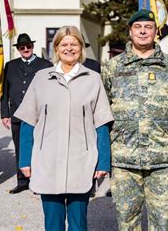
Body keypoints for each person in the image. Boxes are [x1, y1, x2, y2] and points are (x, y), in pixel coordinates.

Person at [14, 26, 113, 230]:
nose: (69, 48)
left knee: (78, 223)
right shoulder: (41, 78)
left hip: (81, 159)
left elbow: (101, 123)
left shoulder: (93, 79)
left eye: (74, 44)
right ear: (56, 49)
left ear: (81, 48)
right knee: (52, 223)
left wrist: (103, 161)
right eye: (64, 44)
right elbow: (27, 122)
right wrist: (25, 159)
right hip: (47, 159)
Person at [104, 9, 168, 230]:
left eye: (148, 27)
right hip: (124, 159)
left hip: (162, 159)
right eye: (138, 27)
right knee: (126, 220)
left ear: (155, 32)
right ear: (130, 31)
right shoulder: (113, 67)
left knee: (163, 221)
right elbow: (101, 112)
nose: (143, 31)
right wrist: (103, 153)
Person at [0, 33, 52, 194]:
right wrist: (4, 114)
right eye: (22, 47)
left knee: (38, 148)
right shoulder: (10, 65)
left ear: (32, 47)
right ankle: (22, 181)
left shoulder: (45, 64)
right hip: (17, 114)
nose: (25, 49)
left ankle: (37, 181)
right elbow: (5, 91)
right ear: (18, 49)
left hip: (39, 115)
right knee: (20, 148)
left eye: (28, 46)